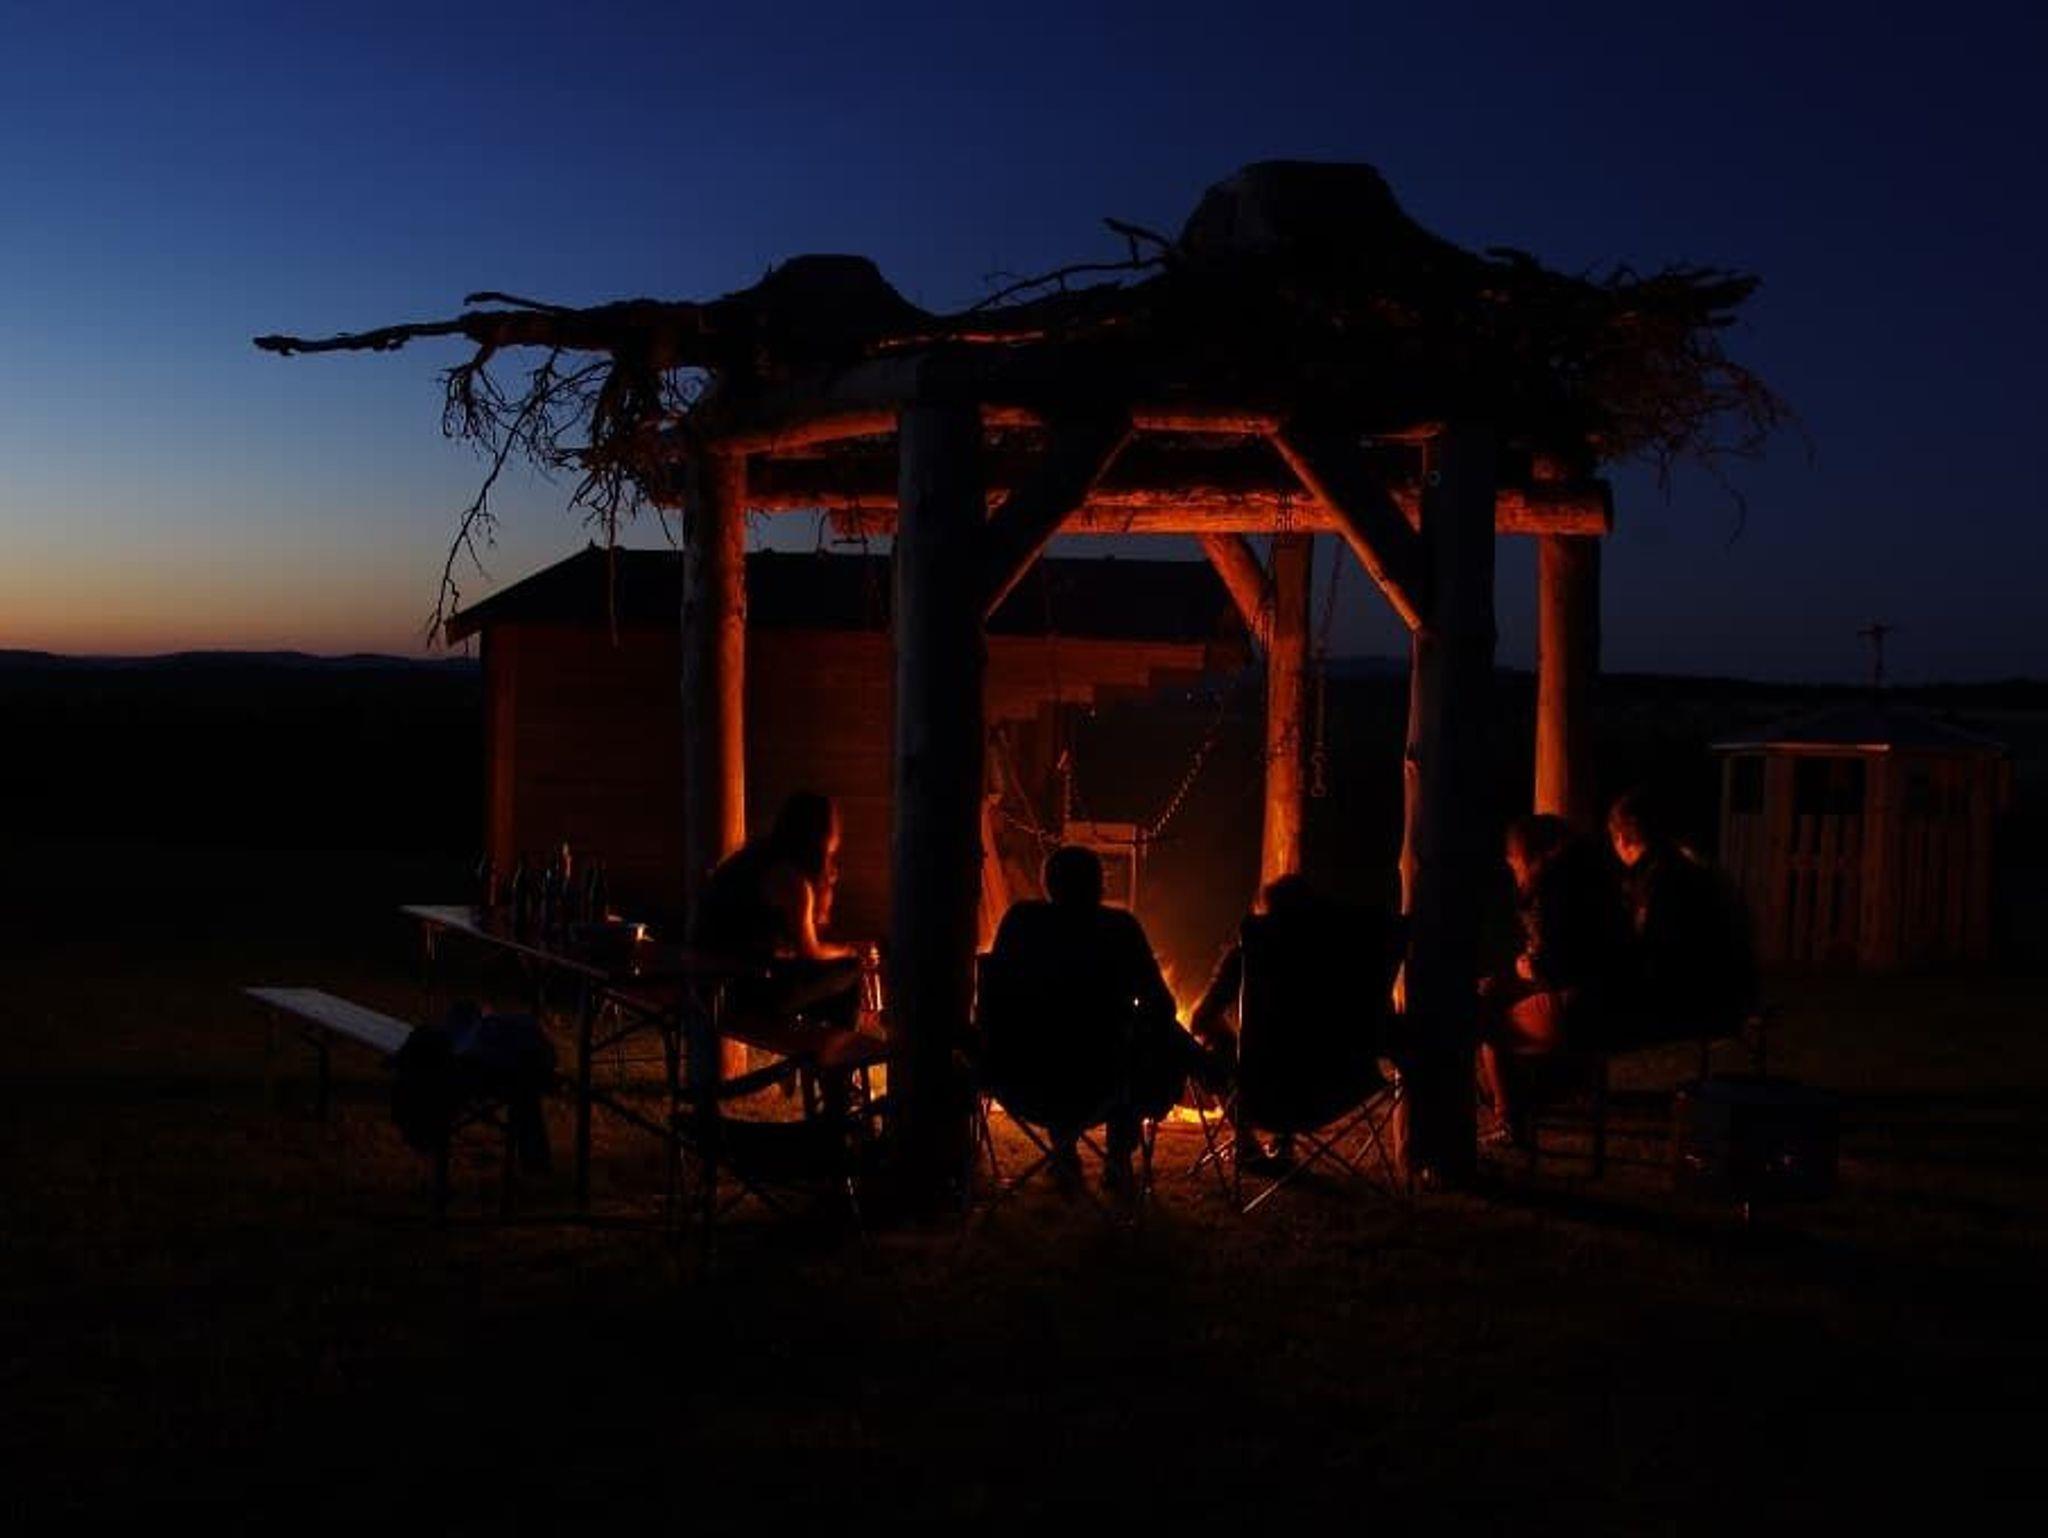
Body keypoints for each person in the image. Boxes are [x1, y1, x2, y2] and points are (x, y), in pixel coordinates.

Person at [983, 845, 1205, 1194]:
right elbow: (1162, 1005)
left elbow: (995, 1004)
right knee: (1145, 1040)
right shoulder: (1120, 928)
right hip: (1104, 1084)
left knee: (1061, 1041)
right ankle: (1118, 1159)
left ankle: (1064, 1155)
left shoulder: (1021, 923)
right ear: (1100, 885)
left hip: (1023, 1082)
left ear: (1047, 884)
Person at [1187, 874, 1400, 1170]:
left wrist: (1231, 1041)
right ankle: (1283, 1142)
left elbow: (1200, 1020)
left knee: (1211, 1037)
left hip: (1262, 1095)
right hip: (1340, 1089)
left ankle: (1247, 1145)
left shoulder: (1251, 950)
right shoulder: (1347, 959)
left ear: (1266, 914)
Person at [1476, 813, 1633, 1144]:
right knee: (1492, 991)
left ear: (1526, 857)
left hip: (1580, 1006)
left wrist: (1527, 967)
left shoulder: (1550, 887)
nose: (1513, 872)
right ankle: (1521, 1099)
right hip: (1614, 999)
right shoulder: (1595, 878)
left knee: (1486, 1021)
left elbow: (1553, 967)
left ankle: (1509, 1118)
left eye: (1514, 864)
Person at [691, 790, 864, 1033]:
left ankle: (819, 1045)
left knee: (828, 984)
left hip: (709, 983)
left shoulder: (753, 858)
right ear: (822, 835)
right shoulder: (791, 879)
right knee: (851, 968)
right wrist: (849, 950)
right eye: (835, 830)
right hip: (738, 994)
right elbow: (810, 951)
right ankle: (835, 1051)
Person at [1606, 787, 1758, 1043]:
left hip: (1689, 999)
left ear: (1620, 838)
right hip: (1730, 990)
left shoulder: (1652, 879)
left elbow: (1650, 948)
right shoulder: (1694, 864)